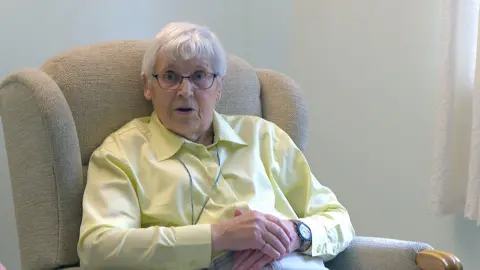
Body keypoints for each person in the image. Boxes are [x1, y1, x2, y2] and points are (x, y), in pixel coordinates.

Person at [77, 22, 355, 270]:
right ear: (148, 86)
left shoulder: (264, 137)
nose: (185, 92)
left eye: (199, 76)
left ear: (219, 87)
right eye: (170, 77)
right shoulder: (120, 154)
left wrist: (297, 234)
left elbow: (338, 218)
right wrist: (218, 237)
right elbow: (99, 247)